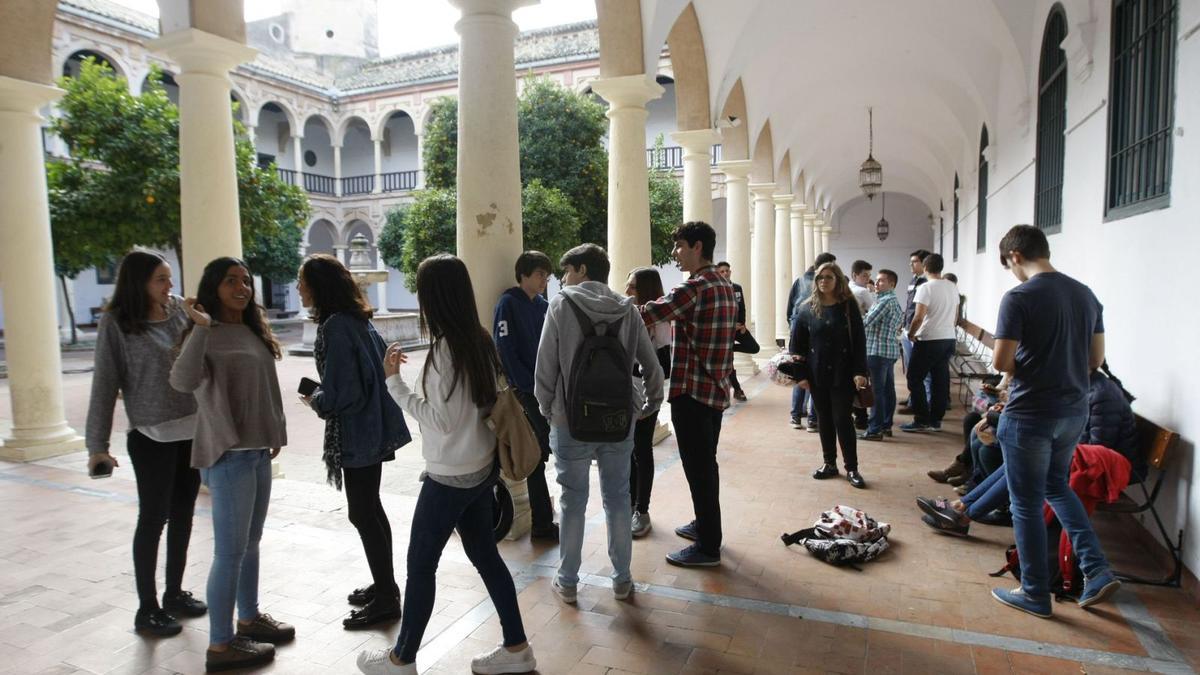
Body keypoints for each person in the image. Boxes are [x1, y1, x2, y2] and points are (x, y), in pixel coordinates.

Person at [357, 255, 535, 675]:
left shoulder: (444, 352)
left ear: (432, 298)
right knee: (486, 557)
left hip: (450, 478)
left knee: (420, 567)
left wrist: (393, 383)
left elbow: (440, 420)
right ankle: (517, 648)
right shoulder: (478, 339)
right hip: (481, 470)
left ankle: (402, 659)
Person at [987, 224, 1120, 617]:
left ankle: (1034, 592)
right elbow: (1095, 360)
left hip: (1030, 413)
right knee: (1058, 489)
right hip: (1073, 411)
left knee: (1025, 504)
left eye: (1009, 264)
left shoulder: (1019, 297)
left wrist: (1029, 363)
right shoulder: (1086, 295)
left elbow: (1000, 361)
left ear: (1014, 256)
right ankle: (1096, 570)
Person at [169, 257, 292, 672]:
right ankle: (220, 645)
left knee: (250, 543)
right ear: (212, 288)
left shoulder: (251, 328)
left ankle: (249, 618)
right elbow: (182, 382)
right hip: (228, 456)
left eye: (246, 281)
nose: (242, 288)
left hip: (256, 452)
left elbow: (266, 388)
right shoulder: (206, 332)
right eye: (231, 281)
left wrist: (275, 433)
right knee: (230, 552)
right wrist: (201, 328)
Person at [85, 251, 205, 637]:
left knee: (184, 515)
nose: (170, 286)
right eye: (161, 279)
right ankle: (147, 607)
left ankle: (174, 593)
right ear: (139, 282)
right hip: (150, 435)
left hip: (190, 429)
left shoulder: (179, 312)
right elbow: (105, 383)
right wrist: (97, 446)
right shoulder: (118, 323)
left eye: (170, 278)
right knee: (153, 519)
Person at [534, 245, 664, 602]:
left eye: (566, 271)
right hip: (619, 419)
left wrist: (550, 412)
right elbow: (652, 367)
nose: (563, 279)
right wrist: (649, 406)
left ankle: (569, 581)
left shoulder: (561, 304)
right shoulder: (627, 308)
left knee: (572, 501)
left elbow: (544, 369)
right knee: (618, 498)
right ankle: (622, 580)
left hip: (569, 419)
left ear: (582, 269)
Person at [297, 254, 411, 630]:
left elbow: (342, 393)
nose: (299, 288)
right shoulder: (358, 321)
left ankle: (386, 598)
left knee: (362, 512)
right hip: (373, 426)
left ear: (318, 287)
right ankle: (385, 586)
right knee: (370, 509)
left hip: (357, 431)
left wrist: (316, 400)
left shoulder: (334, 327)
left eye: (303, 282)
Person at [639, 222, 737, 567]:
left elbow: (647, 313)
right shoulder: (724, 284)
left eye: (679, 246)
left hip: (692, 394)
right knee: (705, 466)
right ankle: (705, 525)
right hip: (714, 392)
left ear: (697, 246)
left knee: (700, 471)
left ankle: (709, 547)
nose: (675, 253)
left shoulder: (695, 287)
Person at [492, 250, 559, 542]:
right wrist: (527, 388)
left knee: (542, 454)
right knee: (535, 456)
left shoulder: (544, 306)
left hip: (547, 392)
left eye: (546, 275)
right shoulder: (508, 304)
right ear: (523, 275)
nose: (544, 280)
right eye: (539, 274)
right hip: (526, 394)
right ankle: (542, 523)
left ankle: (543, 521)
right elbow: (505, 350)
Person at [789, 261, 870, 488]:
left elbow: (859, 342)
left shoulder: (848, 306)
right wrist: (801, 375)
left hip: (843, 373)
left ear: (838, 281)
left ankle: (852, 468)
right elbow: (797, 346)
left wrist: (860, 371)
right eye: (820, 278)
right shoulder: (806, 308)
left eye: (829, 277)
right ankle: (829, 463)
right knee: (824, 419)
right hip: (817, 374)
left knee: (843, 419)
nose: (824, 281)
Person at [625, 267, 673, 538]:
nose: (627, 291)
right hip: (627, 392)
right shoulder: (627, 314)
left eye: (632, 286)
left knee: (641, 449)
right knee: (629, 449)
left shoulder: (659, 321)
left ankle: (641, 509)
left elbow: (663, 365)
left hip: (644, 393)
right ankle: (631, 504)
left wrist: (646, 392)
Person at [900, 253, 959, 433]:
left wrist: (911, 333)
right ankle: (935, 420)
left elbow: (918, 316)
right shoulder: (951, 286)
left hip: (929, 338)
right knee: (940, 380)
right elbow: (956, 314)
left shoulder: (926, 287)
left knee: (914, 378)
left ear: (925, 268)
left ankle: (921, 418)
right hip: (948, 337)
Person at [787, 252, 837, 432]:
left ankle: (797, 416)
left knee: (803, 375)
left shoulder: (800, 281)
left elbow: (789, 308)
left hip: (801, 333)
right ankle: (810, 419)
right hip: (814, 336)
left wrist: (792, 329)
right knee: (810, 374)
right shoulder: (813, 284)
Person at [858, 268, 902, 441]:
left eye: (881, 280)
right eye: (876, 280)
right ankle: (885, 425)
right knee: (887, 391)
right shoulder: (892, 300)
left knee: (876, 392)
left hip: (877, 351)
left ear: (892, 284)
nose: (876, 283)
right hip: (888, 350)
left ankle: (875, 429)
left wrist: (851, 316)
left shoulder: (885, 301)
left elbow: (866, 322)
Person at [716, 261, 759, 401]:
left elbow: (743, 307)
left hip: (739, 328)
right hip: (725, 330)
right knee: (730, 363)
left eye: (727, 270)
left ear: (730, 272)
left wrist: (742, 324)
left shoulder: (737, 288)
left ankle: (730, 349)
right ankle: (738, 390)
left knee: (754, 347)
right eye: (722, 271)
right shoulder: (717, 289)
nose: (725, 273)